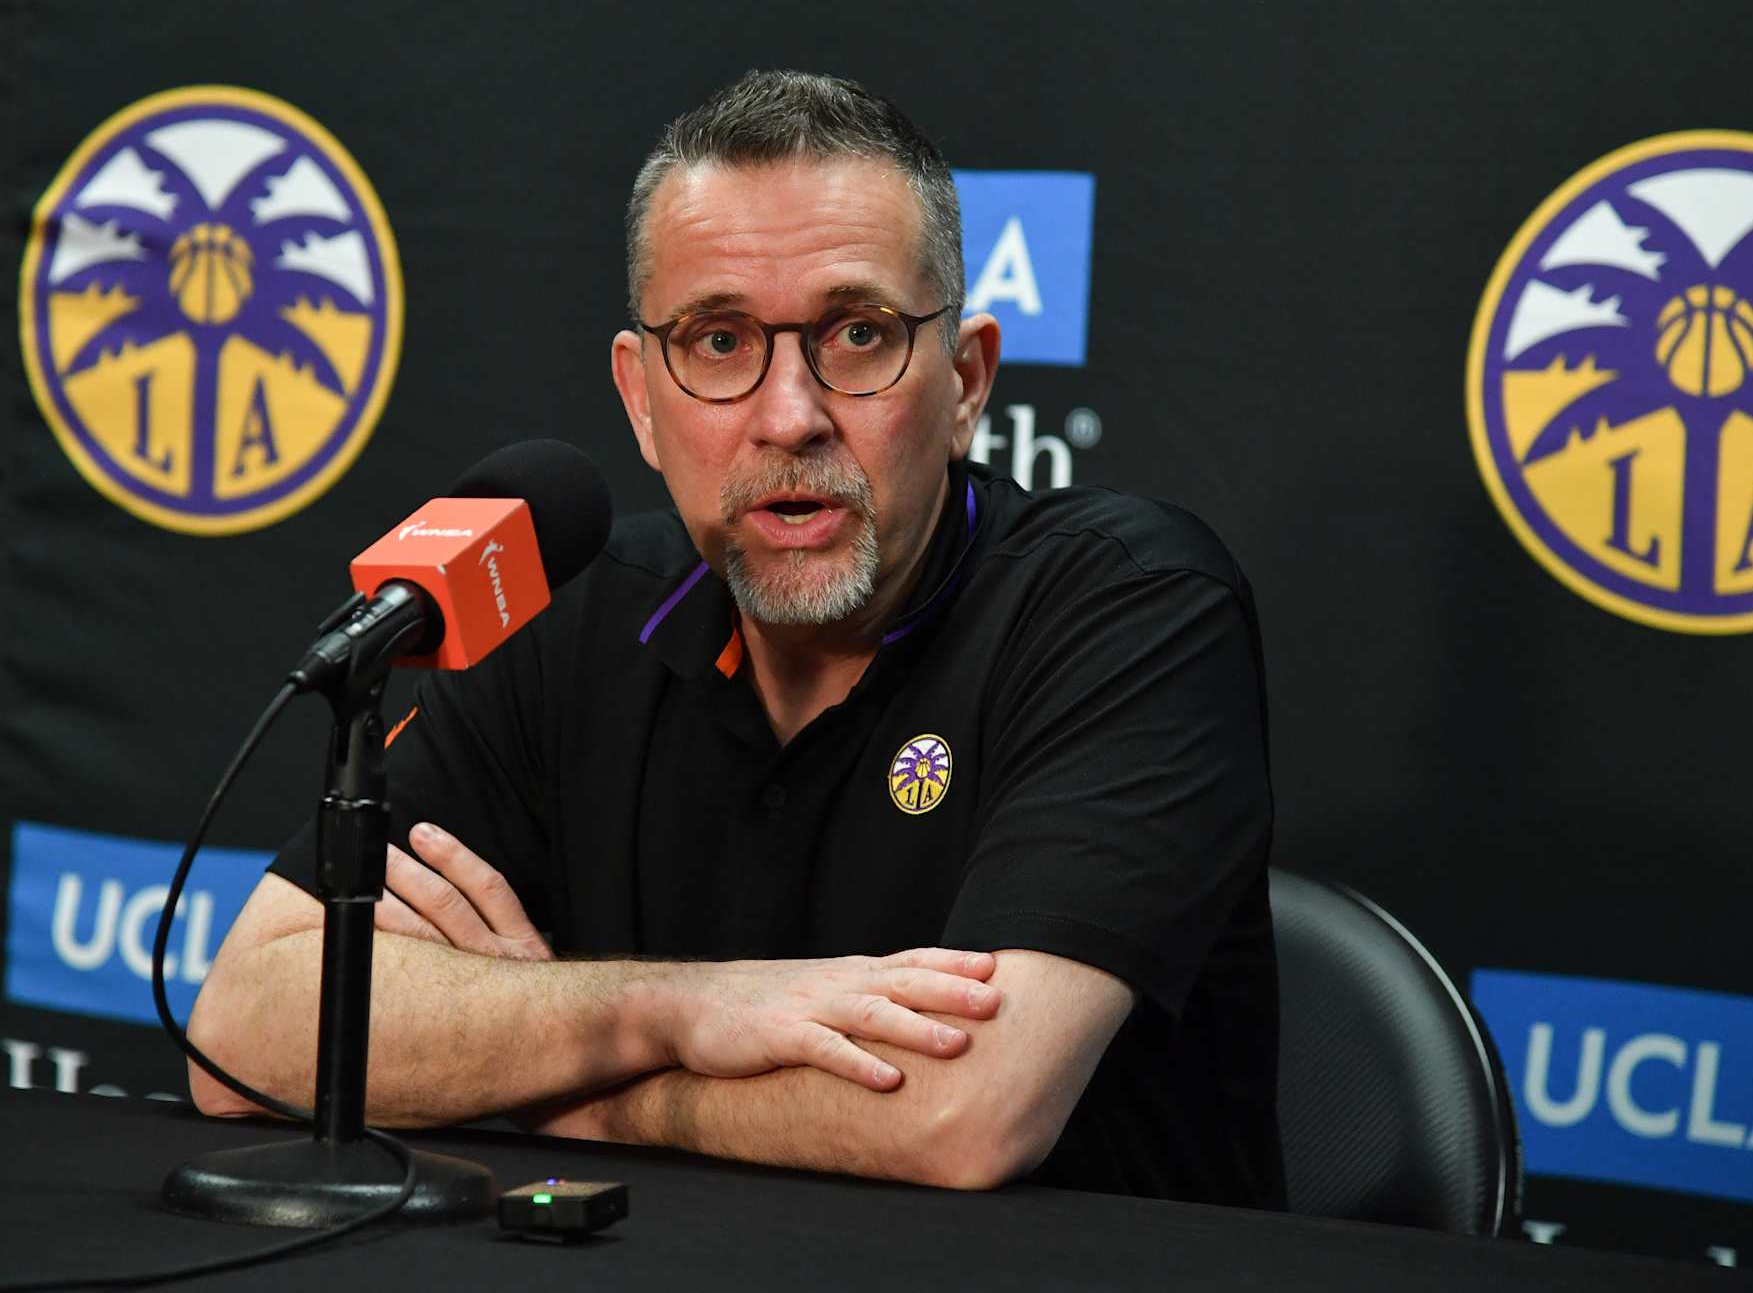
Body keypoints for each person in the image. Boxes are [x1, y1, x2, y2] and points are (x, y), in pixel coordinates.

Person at [189, 71, 1284, 1207]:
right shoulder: (569, 609)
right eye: (718, 342)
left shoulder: (1131, 604)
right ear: (641, 400)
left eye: (859, 335)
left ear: (965, 383)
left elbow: (959, 1117)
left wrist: (555, 1085)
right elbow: (244, 1028)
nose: (791, 414)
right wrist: (668, 1009)